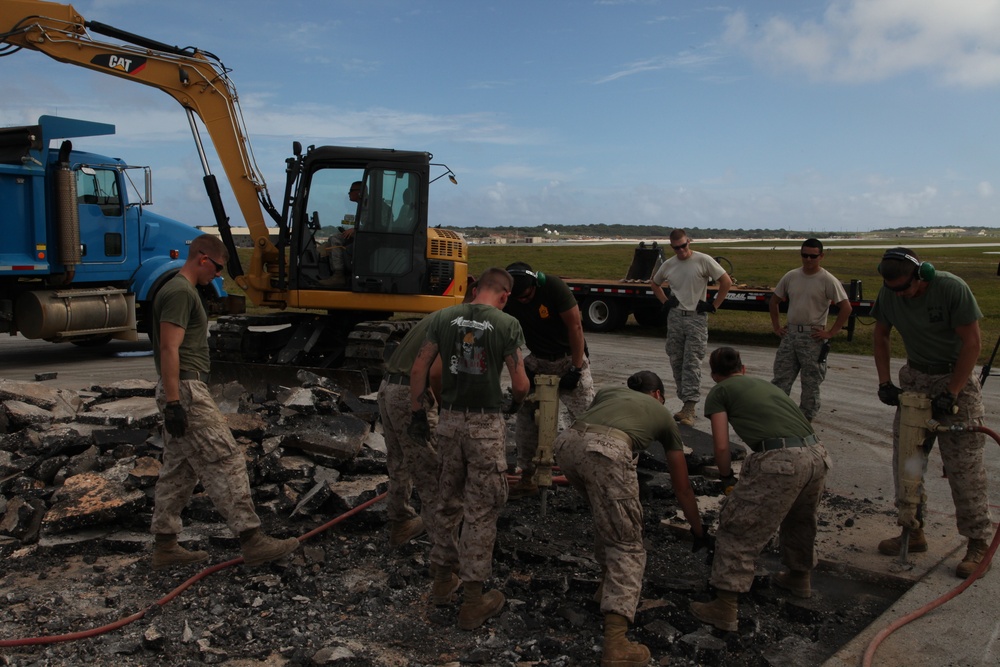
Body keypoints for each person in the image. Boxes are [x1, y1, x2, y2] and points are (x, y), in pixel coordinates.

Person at [149, 235, 300, 570]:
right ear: (202, 258)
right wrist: (174, 402)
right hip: (185, 389)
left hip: (182, 388)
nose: (217, 276)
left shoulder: (183, 291)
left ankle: (165, 545)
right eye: (217, 269)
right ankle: (252, 538)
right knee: (225, 458)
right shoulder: (179, 291)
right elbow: (169, 348)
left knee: (179, 468)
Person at [554, 370, 706, 666]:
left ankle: (604, 588)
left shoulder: (609, 392)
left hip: (567, 444)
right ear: (658, 395)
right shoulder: (663, 415)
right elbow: (682, 486)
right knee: (628, 544)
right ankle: (616, 642)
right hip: (606, 452)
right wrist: (698, 529)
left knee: (607, 516)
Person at [408, 268, 530, 630]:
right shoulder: (507, 324)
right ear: (505, 296)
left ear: (475, 288)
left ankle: (442, 584)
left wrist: (418, 411)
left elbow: (421, 368)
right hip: (484, 426)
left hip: (448, 422)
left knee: (447, 501)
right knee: (482, 509)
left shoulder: (443, 317)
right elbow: (520, 383)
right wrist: (516, 404)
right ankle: (473, 601)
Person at [690, 347, 831, 632]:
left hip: (781, 461)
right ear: (743, 368)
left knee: (738, 526)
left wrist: (727, 476)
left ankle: (725, 606)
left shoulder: (720, 391)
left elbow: (720, 445)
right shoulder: (765, 385)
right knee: (800, 519)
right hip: (817, 455)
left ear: (715, 374)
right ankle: (798, 577)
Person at [872, 247, 991, 578]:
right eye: (894, 289)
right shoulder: (891, 291)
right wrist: (884, 382)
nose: (901, 295)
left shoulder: (952, 289)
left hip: (955, 381)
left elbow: (972, 343)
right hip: (915, 379)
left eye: (905, 287)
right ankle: (913, 529)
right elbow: (880, 335)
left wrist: (952, 390)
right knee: (908, 461)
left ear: (921, 274)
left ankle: (978, 543)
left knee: (963, 468)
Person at [503, 261, 595, 499]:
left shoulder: (553, 287)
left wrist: (575, 368)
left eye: (526, 296)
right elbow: (505, 336)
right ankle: (528, 476)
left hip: (567, 357)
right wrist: (524, 369)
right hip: (538, 359)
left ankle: (594, 475)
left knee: (588, 416)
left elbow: (575, 327)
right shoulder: (508, 296)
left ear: (536, 284)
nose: (523, 301)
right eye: (518, 297)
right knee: (526, 417)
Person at [649, 229, 732, 425]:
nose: (681, 250)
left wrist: (713, 305)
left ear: (689, 242)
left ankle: (690, 407)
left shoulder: (703, 260)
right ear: (672, 247)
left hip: (696, 317)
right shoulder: (669, 265)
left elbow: (725, 282)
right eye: (676, 248)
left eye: (684, 246)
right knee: (676, 360)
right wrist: (665, 301)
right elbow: (654, 283)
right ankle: (684, 401)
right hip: (676, 317)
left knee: (692, 362)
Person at [769, 238, 852, 421]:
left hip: (813, 337)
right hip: (791, 335)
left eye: (812, 256)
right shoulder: (791, 276)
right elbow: (774, 301)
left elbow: (846, 307)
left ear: (821, 256)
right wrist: (776, 327)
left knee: (810, 384)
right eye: (804, 255)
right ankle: (777, 418)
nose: (808, 260)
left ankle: (805, 421)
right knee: (781, 380)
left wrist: (831, 332)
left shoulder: (827, 280)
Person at [377, 316, 439, 551]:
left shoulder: (435, 317)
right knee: (430, 467)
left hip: (388, 388)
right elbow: (437, 373)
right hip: (411, 392)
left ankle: (401, 521)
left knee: (399, 460)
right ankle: (443, 548)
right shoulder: (458, 322)